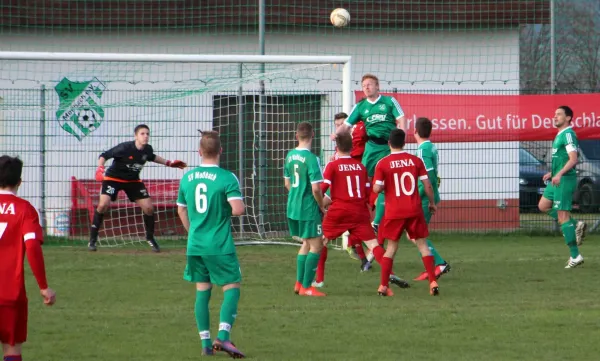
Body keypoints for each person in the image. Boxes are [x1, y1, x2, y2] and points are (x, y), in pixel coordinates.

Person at [176, 131, 246, 358]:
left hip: (195, 244)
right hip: (219, 244)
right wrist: (222, 211)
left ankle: (206, 344)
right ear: (220, 151)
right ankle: (223, 337)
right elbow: (238, 209)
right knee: (232, 287)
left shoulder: (187, 177)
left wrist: (192, 232)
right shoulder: (227, 178)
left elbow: (181, 209)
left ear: (199, 152)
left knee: (202, 291)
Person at [89, 124, 187, 252]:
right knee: (102, 205)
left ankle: (150, 238)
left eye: (147, 134)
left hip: (133, 181)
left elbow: (152, 157)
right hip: (113, 179)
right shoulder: (124, 148)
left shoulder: (147, 149)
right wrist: (100, 168)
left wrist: (169, 163)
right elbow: (104, 155)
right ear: (136, 136)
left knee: (149, 208)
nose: (145, 136)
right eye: (142, 133)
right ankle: (92, 239)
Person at [0, 155, 56, 361]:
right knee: (12, 350)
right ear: (19, 182)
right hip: (10, 293)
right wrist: (43, 286)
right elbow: (32, 246)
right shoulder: (25, 210)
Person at [372, 129, 440, 296]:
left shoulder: (383, 163)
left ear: (389, 143)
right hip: (414, 209)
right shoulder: (415, 161)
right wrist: (431, 203)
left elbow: (376, 188)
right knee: (423, 245)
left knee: (391, 248)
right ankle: (432, 282)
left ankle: (383, 286)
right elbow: (428, 185)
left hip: (394, 211)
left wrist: (382, 188)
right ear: (404, 143)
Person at [537, 106, 587, 268]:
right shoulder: (560, 134)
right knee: (543, 205)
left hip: (564, 180)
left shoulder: (568, 134)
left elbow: (573, 159)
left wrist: (559, 175)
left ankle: (575, 256)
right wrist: (553, 172)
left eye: (559, 114)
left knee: (562, 217)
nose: (555, 117)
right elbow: (563, 158)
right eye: (555, 114)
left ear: (568, 118)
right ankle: (575, 224)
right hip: (557, 179)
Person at [284, 122, 327, 297]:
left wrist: (297, 194)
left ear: (296, 136)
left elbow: (287, 183)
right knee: (317, 246)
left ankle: (299, 283)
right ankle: (307, 287)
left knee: (306, 244)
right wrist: (321, 205)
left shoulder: (290, 155)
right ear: (313, 135)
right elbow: (316, 188)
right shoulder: (312, 159)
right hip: (308, 208)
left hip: (292, 206)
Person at [411, 118, 451, 281]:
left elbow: (429, 177)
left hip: (425, 199)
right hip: (428, 197)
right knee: (417, 234)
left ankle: (439, 264)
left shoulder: (422, 151)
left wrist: (420, 196)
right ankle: (431, 267)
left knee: (416, 235)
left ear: (415, 132)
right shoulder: (431, 147)